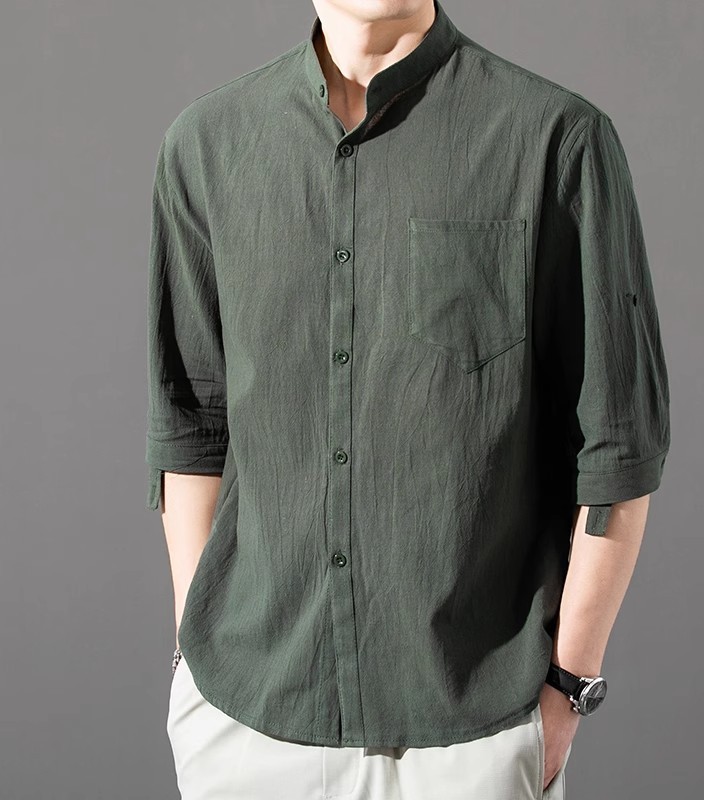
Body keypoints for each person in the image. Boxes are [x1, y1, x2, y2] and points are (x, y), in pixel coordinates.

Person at [146, 1, 671, 797]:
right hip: (245, 719)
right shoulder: (206, 145)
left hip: (474, 729)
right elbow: (191, 425)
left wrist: (569, 689)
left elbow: (621, 445)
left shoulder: (555, 139)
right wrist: (197, 652)